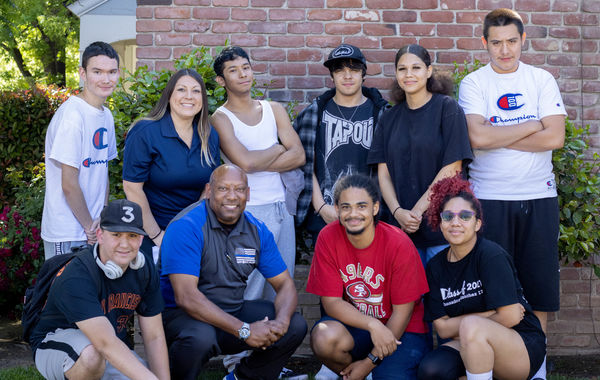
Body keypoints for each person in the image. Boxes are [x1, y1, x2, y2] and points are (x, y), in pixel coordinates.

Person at [458, 9, 566, 378]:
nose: (505, 51)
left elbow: (555, 137)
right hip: (489, 200)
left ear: (523, 41)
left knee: (538, 287)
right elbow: (477, 139)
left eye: (512, 42)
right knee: (495, 289)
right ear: (485, 43)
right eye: (497, 43)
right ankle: (498, 366)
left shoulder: (541, 79)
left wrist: (500, 135)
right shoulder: (474, 83)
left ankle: (536, 370)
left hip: (539, 197)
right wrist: (532, 123)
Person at [159, 164, 308, 380]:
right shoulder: (187, 225)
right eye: (223, 189)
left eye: (239, 189)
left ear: (248, 194)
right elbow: (186, 297)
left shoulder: (256, 230)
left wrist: (281, 324)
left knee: (295, 325)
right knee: (200, 338)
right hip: (183, 317)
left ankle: (242, 377)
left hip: (232, 311)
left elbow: (284, 284)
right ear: (209, 191)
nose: (232, 196)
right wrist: (244, 330)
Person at [417, 175, 545, 380]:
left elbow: (511, 318)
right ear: (440, 223)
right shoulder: (435, 266)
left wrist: (468, 326)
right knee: (433, 370)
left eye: (465, 216)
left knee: (471, 327)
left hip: (520, 343)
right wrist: (490, 315)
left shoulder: (490, 256)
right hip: (474, 337)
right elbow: (442, 329)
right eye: (448, 217)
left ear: (477, 224)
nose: (455, 223)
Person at [307, 174, 430, 380]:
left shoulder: (398, 243)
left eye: (361, 206)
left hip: (403, 331)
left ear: (374, 208)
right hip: (361, 326)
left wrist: (369, 362)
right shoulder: (328, 237)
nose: (353, 214)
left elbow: (403, 313)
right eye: (346, 207)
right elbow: (331, 302)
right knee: (324, 336)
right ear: (336, 209)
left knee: (388, 377)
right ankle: (355, 373)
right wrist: (373, 325)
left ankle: (368, 371)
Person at [31, 199, 169, 380]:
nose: (125, 244)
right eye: (116, 235)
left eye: (132, 235)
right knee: (91, 356)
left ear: (141, 238)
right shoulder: (77, 274)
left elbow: (154, 337)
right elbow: (105, 342)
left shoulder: (143, 268)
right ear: (100, 235)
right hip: (56, 343)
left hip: (109, 345)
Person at [211, 47, 306, 301]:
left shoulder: (273, 109)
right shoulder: (220, 118)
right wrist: (277, 147)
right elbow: (245, 164)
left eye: (246, 67)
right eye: (233, 70)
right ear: (221, 80)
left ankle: (274, 339)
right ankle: (242, 339)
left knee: (280, 283)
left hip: (281, 208)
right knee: (248, 285)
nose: (242, 74)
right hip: (247, 211)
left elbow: (298, 155)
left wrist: (257, 159)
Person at [367, 44, 473, 267]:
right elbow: (382, 172)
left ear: (429, 70)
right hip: (401, 229)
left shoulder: (447, 108)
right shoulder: (389, 117)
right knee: (408, 299)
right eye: (402, 69)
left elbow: (453, 166)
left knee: (442, 298)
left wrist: (415, 212)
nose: (409, 74)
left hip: (442, 226)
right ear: (396, 74)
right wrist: (398, 212)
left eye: (416, 67)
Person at [293, 44, 389, 242]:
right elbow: (303, 164)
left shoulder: (381, 114)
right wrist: (321, 207)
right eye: (340, 70)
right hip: (325, 215)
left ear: (363, 74)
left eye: (354, 69)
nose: (347, 76)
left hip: (369, 216)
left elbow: (387, 169)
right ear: (332, 75)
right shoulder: (314, 114)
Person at [123, 68, 220, 260]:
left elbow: (209, 187)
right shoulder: (146, 132)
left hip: (192, 233)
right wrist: (159, 236)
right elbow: (132, 189)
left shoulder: (208, 135)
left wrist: (191, 228)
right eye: (181, 90)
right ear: (169, 95)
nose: (189, 97)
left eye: (196, 91)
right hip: (151, 234)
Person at [41, 41, 120, 260]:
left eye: (112, 72)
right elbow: (69, 184)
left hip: (93, 230)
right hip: (68, 231)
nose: (106, 79)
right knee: (62, 293)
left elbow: (101, 170)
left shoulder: (106, 115)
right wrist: (88, 226)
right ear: (82, 73)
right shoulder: (72, 115)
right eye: (97, 71)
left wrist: (101, 217)